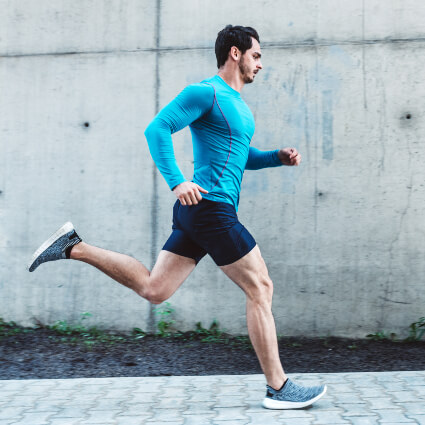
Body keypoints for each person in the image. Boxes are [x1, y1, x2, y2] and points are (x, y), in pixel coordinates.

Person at [28, 25, 326, 409]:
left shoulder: (238, 105)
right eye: (257, 55)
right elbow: (158, 129)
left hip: (200, 212)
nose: (261, 64)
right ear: (235, 53)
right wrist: (176, 182)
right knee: (261, 288)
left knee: (155, 289)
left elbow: (239, 155)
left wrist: (275, 158)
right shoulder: (206, 92)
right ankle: (279, 387)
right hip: (210, 208)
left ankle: (74, 247)